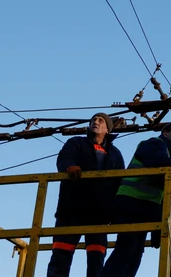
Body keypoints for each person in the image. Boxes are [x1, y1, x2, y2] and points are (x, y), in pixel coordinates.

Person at [101, 122, 171, 277]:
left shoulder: (169, 155)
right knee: (126, 248)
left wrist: (157, 229)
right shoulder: (153, 144)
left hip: (145, 207)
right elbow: (157, 161)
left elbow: (164, 194)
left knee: (135, 252)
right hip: (131, 202)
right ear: (165, 133)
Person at [47, 113, 125, 277]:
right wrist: (69, 167)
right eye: (93, 120)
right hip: (71, 210)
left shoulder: (115, 154)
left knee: (96, 259)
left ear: (107, 129)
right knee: (61, 255)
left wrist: (116, 212)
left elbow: (120, 183)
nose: (96, 122)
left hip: (99, 215)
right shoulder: (76, 143)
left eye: (100, 121)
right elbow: (64, 158)